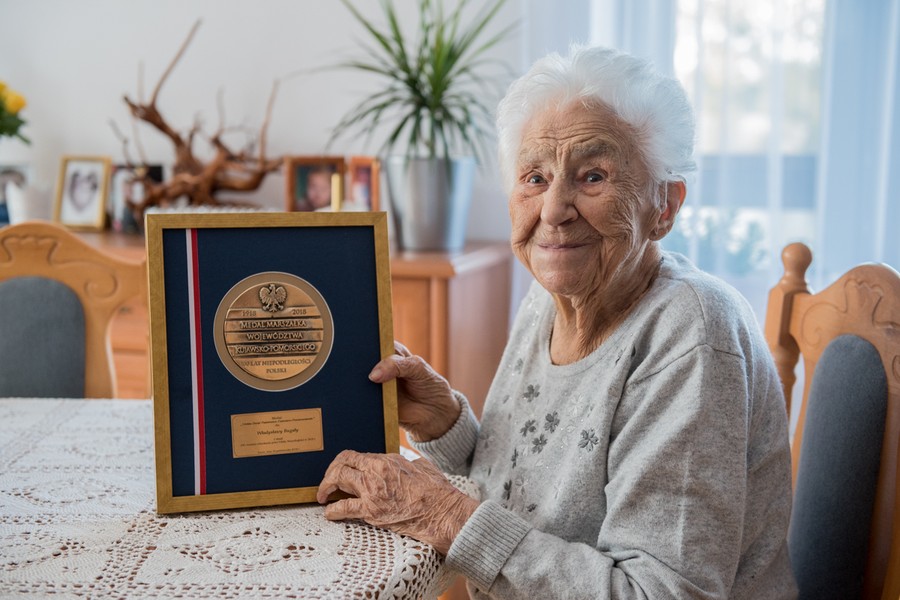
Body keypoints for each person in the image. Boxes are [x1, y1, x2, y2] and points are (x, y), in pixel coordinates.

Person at [317, 45, 797, 599]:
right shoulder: (549, 297)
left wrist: (446, 515)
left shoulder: (692, 333)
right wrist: (444, 425)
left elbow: (662, 591)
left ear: (663, 206)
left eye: (593, 176)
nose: (553, 210)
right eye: (535, 178)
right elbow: (525, 493)